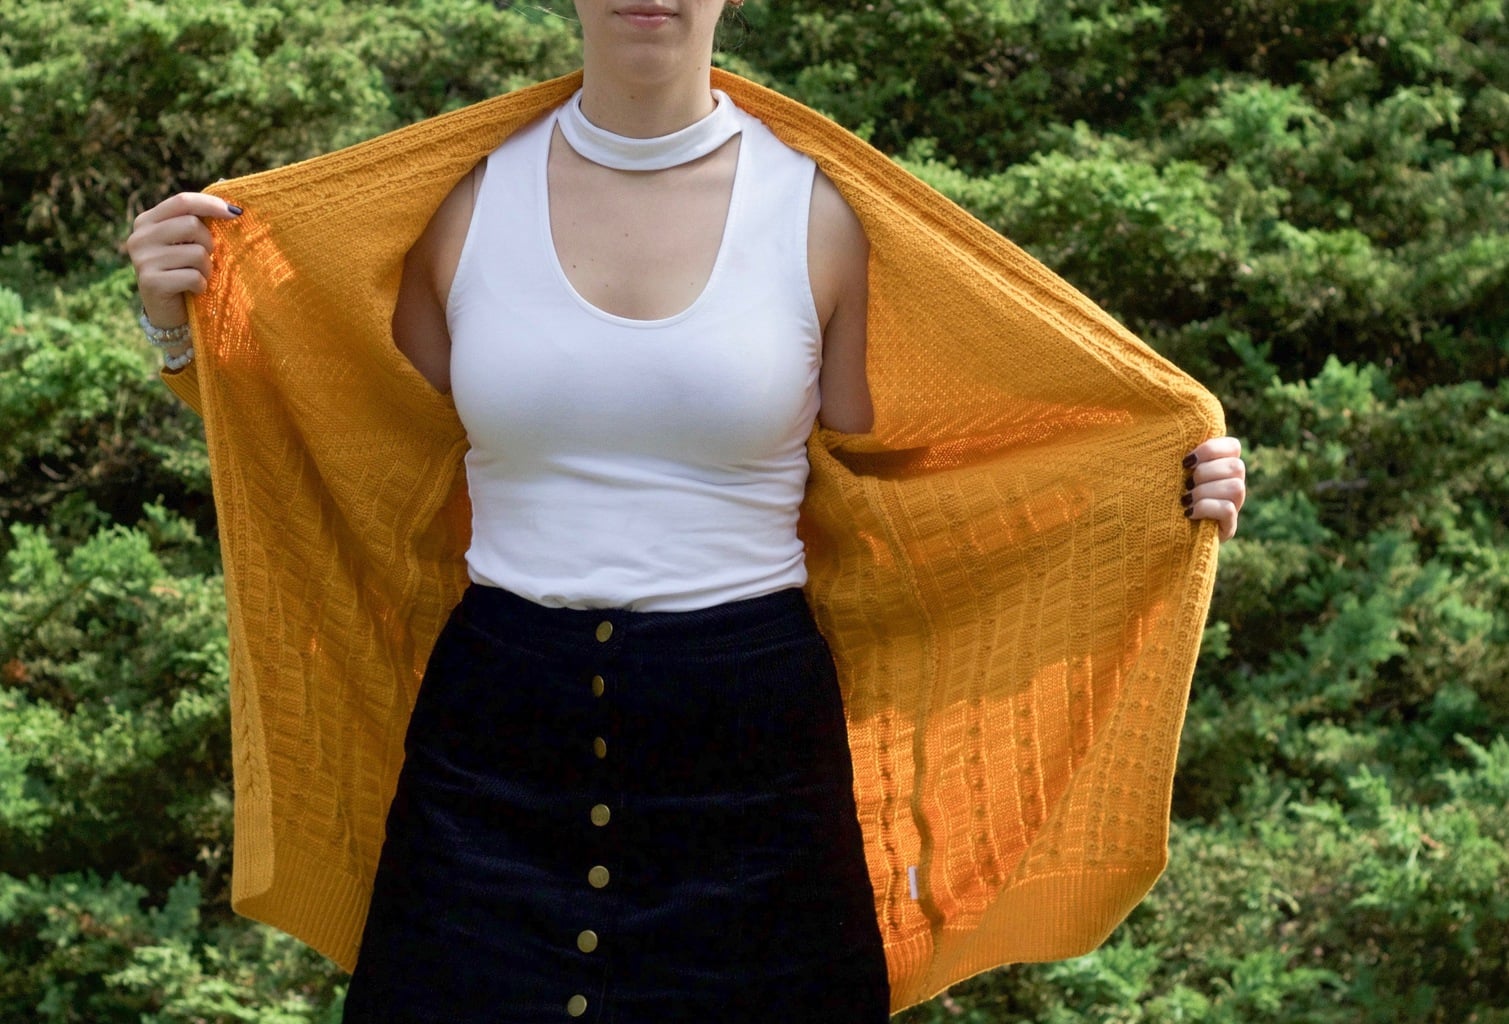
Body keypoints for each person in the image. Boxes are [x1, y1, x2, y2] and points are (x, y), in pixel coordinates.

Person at [126, 2, 1247, 1021]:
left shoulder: (819, 216)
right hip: (491, 748)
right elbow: (340, 436)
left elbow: (918, 488)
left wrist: (1156, 488)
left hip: (753, 763)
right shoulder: (462, 204)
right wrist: (183, 325)